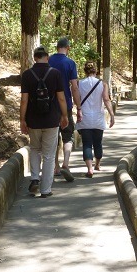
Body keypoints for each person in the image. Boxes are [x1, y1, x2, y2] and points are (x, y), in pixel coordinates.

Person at [20, 46, 68, 198]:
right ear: (47, 57)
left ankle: (35, 178)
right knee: (48, 154)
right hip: (52, 119)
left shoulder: (27, 75)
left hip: (33, 120)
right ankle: (45, 189)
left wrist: (22, 119)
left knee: (34, 149)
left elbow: (24, 100)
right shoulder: (55, 74)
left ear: (35, 58)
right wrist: (65, 115)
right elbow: (61, 97)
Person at [48, 36, 82, 182]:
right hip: (66, 105)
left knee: (53, 136)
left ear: (57, 48)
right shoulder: (70, 63)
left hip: (49, 105)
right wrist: (78, 107)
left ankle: (55, 167)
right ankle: (65, 164)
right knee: (68, 135)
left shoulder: (48, 60)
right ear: (67, 48)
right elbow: (74, 87)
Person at [75, 61, 115, 177]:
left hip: (85, 117)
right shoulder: (102, 84)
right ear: (96, 71)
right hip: (98, 118)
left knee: (87, 143)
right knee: (98, 142)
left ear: (85, 71)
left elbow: (76, 99)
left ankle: (90, 169)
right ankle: (97, 164)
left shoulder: (79, 83)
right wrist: (112, 115)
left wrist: (78, 109)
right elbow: (106, 100)